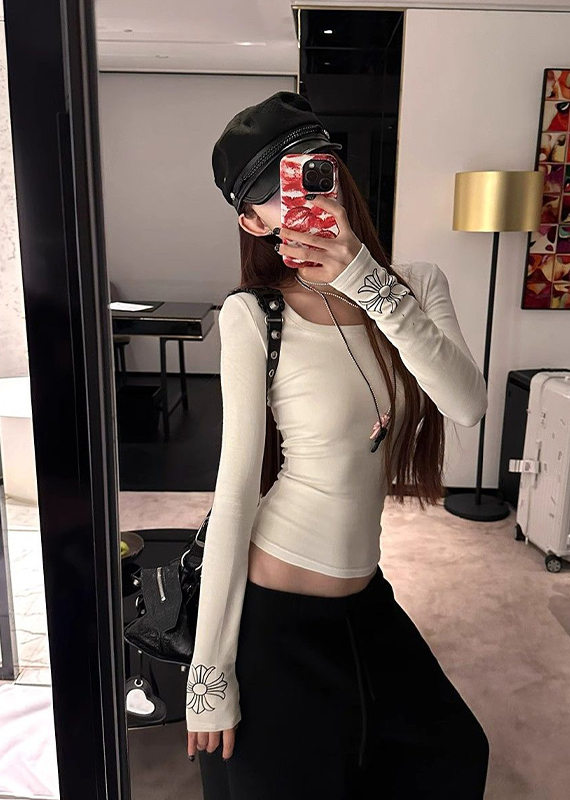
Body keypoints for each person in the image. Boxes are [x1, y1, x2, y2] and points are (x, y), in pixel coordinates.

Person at [186, 90, 490, 799]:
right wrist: (210, 673)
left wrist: (363, 279)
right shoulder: (253, 313)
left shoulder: (416, 285)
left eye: (311, 170)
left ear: (338, 174)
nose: (303, 198)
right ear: (253, 221)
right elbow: (235, 491)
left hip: (366, 600)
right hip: (278, 606)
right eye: (275, 191)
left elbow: (467, 405)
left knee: (453, 753)